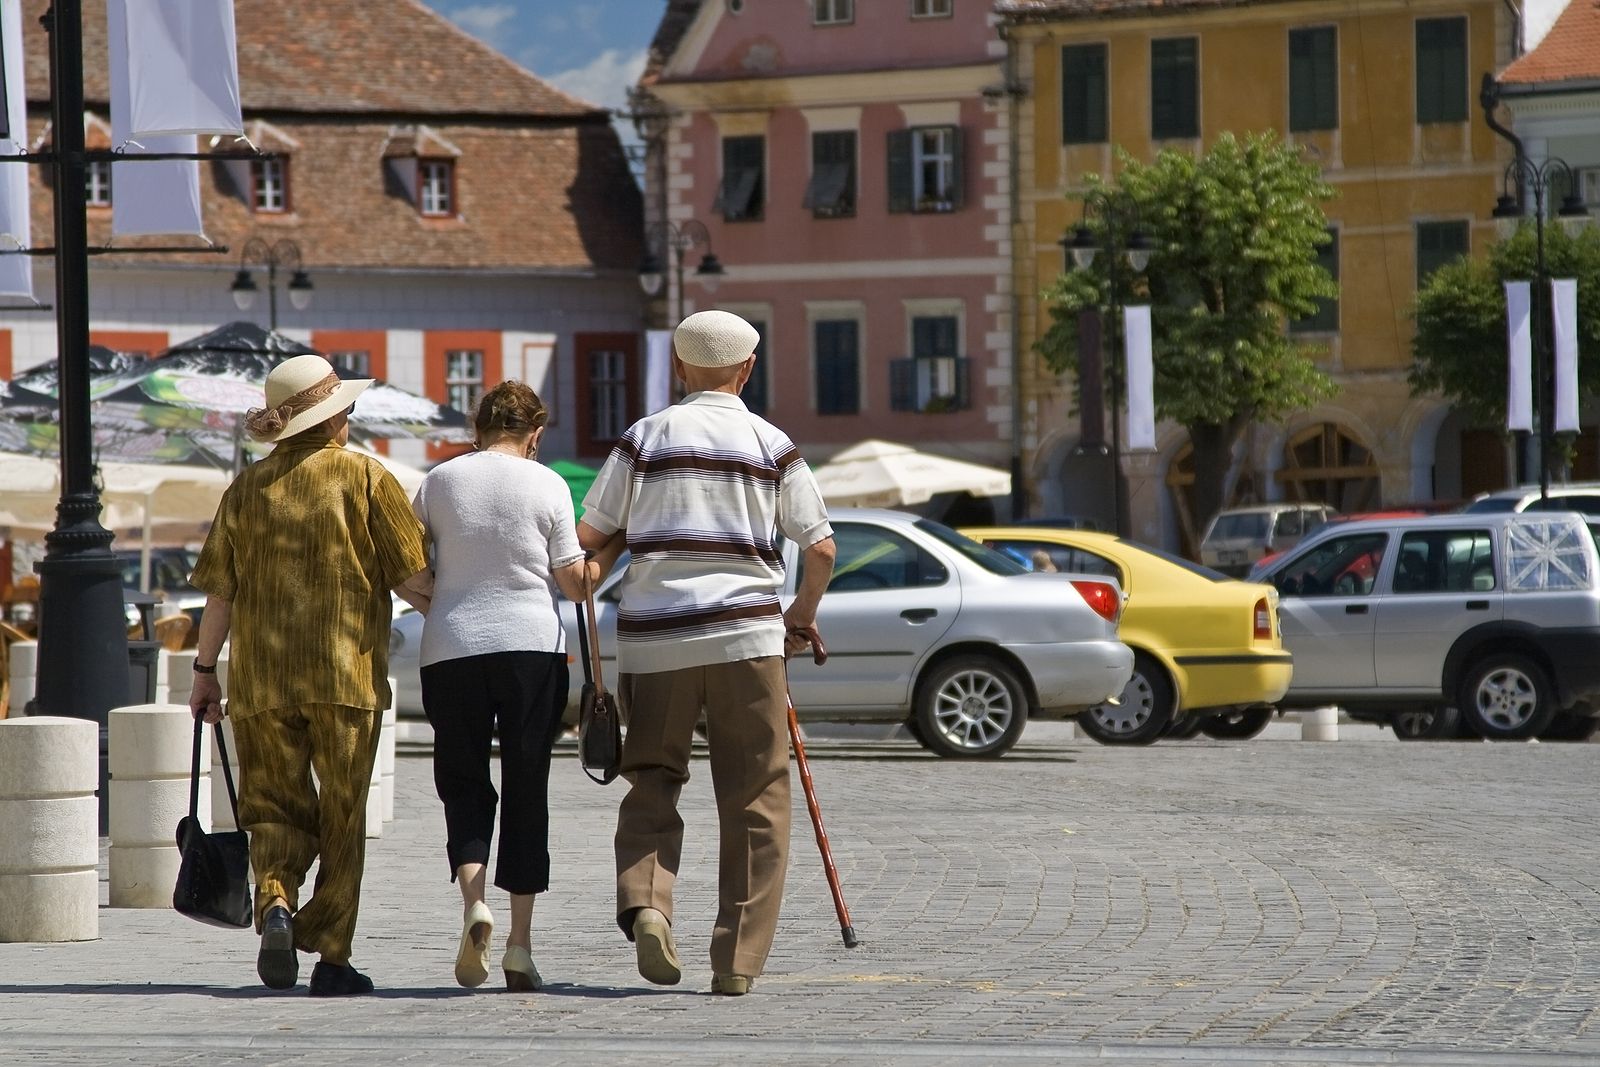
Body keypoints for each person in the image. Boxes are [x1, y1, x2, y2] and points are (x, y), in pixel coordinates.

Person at [577, 309, 836, 997]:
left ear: (680, 369)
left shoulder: (645, 437)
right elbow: (821, 547)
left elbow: (590, 531)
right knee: (756, 796)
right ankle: (738, 959)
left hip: (657, 638)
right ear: (747, 368)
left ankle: (650, 905)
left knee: (653, 775)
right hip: (748, 638)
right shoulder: (769, 441)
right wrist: (800, 615)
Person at [188, 353, 432, 998]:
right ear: (332, 419)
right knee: (344, 813)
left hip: (261, 680)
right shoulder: (367, 479)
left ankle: (274, 902)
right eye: (345, 410)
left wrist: (204, 671)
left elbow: (220, 595)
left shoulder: (244, 489)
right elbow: (413, 578)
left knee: (271, 806)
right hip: (344, 675)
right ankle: (330, 954)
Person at [411, 381, 606, 992]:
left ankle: (474, 903)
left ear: (478, 427)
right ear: (535, 433)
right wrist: (603, 561)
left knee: (462, 780)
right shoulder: (547, 483)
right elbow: (573, 585)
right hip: (530, 648)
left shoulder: (440, 481)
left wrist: (434, 601)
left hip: (451, 647)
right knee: (528, 785)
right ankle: (520, 945)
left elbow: (406, 561)